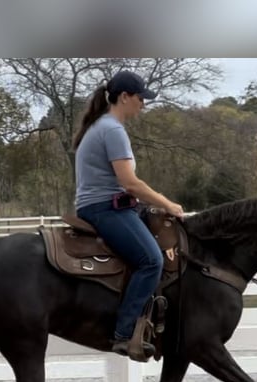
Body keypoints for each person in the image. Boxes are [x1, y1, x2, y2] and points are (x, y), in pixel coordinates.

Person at [73, 70, 184, 361]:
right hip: (104, 207)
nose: (143, 105)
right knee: (151, 260)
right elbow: (130, 182)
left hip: (117, 204)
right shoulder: (112, 130)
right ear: (124, 97)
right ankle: (124, 334)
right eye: (140, 98)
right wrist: (168, 203)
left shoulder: (104, 126)